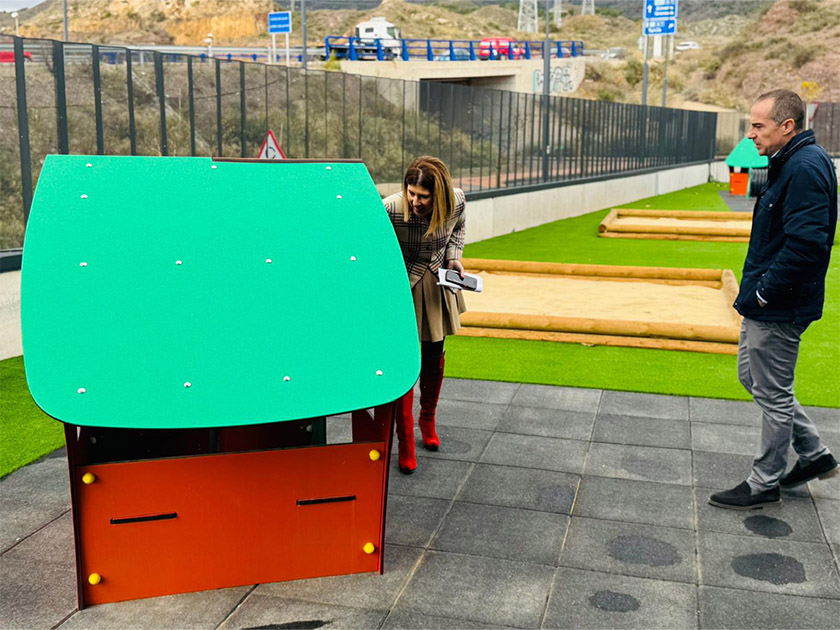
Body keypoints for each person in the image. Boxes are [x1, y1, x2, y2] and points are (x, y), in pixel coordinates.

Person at [709, 90, 838, 510]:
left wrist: (765, 294)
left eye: (758, 125)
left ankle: (764, 482)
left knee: (774, 394)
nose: (750, 134)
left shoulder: (803, 168)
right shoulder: (791, 161)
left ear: (787, 126)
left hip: (779, 305)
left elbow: (806, 245)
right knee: (754, 378)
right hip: (768, 300)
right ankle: (814, 454)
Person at [383, 156, 467, 474]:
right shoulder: (390, 208)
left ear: (439, 195)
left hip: (435, 284)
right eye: (412, 193)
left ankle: (427, 419)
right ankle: (405, 439)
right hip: (401, 288)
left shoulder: (456, 201)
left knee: (434, 355)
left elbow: (459, 227)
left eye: (423, 196)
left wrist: (454, 257)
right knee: (405, 362)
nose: (415, 201)